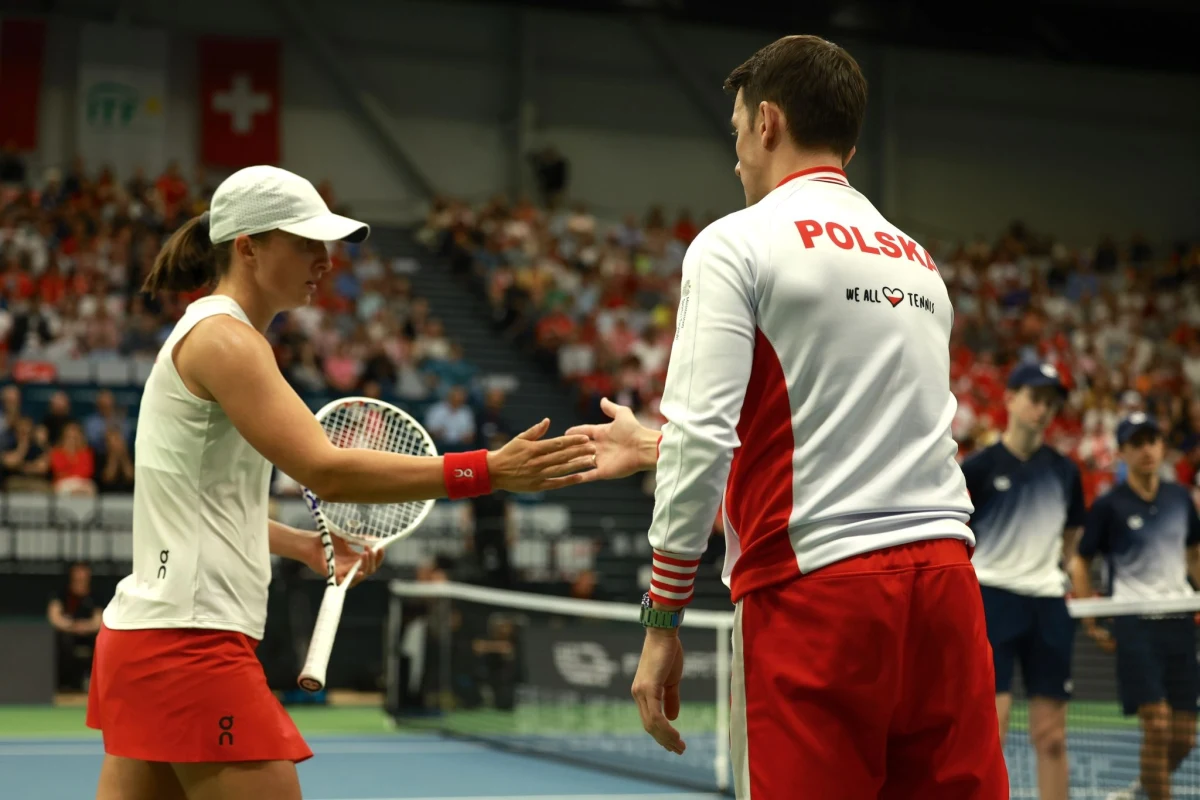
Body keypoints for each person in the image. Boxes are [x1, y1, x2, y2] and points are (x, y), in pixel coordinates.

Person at [568, 35, 1006, 799]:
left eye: (736, 132)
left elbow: (708, 438)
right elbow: (849, 433)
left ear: (767, 122)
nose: (736, 157)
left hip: (818, 595)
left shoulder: (736, 243)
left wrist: (662, 620)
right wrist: (653, 447)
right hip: (945, 584)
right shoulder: (916, 260)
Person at [86, 165, 596, 800]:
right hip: (190, 645)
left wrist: (302, 545)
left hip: (146, 638)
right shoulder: (225, 341)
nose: (324, 261)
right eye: (305, 243)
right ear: (248, 245)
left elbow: (196, 502)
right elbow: (325, 469)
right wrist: (486, 471)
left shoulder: (211, 334)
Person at [961, 362, 1085, 800]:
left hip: (1047, 604)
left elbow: (1072, 535)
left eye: (1051, 403)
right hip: (991, 600)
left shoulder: (1066, 473)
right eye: (1035, 398)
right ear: (1009, 399)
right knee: (991, 726)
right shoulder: (975, 470)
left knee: (1051, 735)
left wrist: (1050, 568)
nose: (1043, 410)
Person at [1069, 414, 1200, 800]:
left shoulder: (1179, 499)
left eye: (1152, 440)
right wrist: (1092, 619)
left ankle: (1142, 789)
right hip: (1135, 624)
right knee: (1157, 726)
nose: (1146, 449)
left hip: (1179, 622)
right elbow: (1080, 560)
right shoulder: (1109, 506)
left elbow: (1194, 552)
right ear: (1123, 451)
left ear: (1161, 447)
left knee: (1184, 739)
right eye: (1137, 443)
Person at [47, 561, 103, 691]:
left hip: (89, 635)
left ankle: (94, 684)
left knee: (101, 642)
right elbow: (54, 616)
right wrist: (72, 626)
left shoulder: (95, 596)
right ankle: (65, 685)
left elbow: (98, 620)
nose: (81, 575)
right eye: (77, 571)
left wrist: (84, 627)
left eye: (84, 571)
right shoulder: (61, 594)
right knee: (63, 642)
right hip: (67, 634)